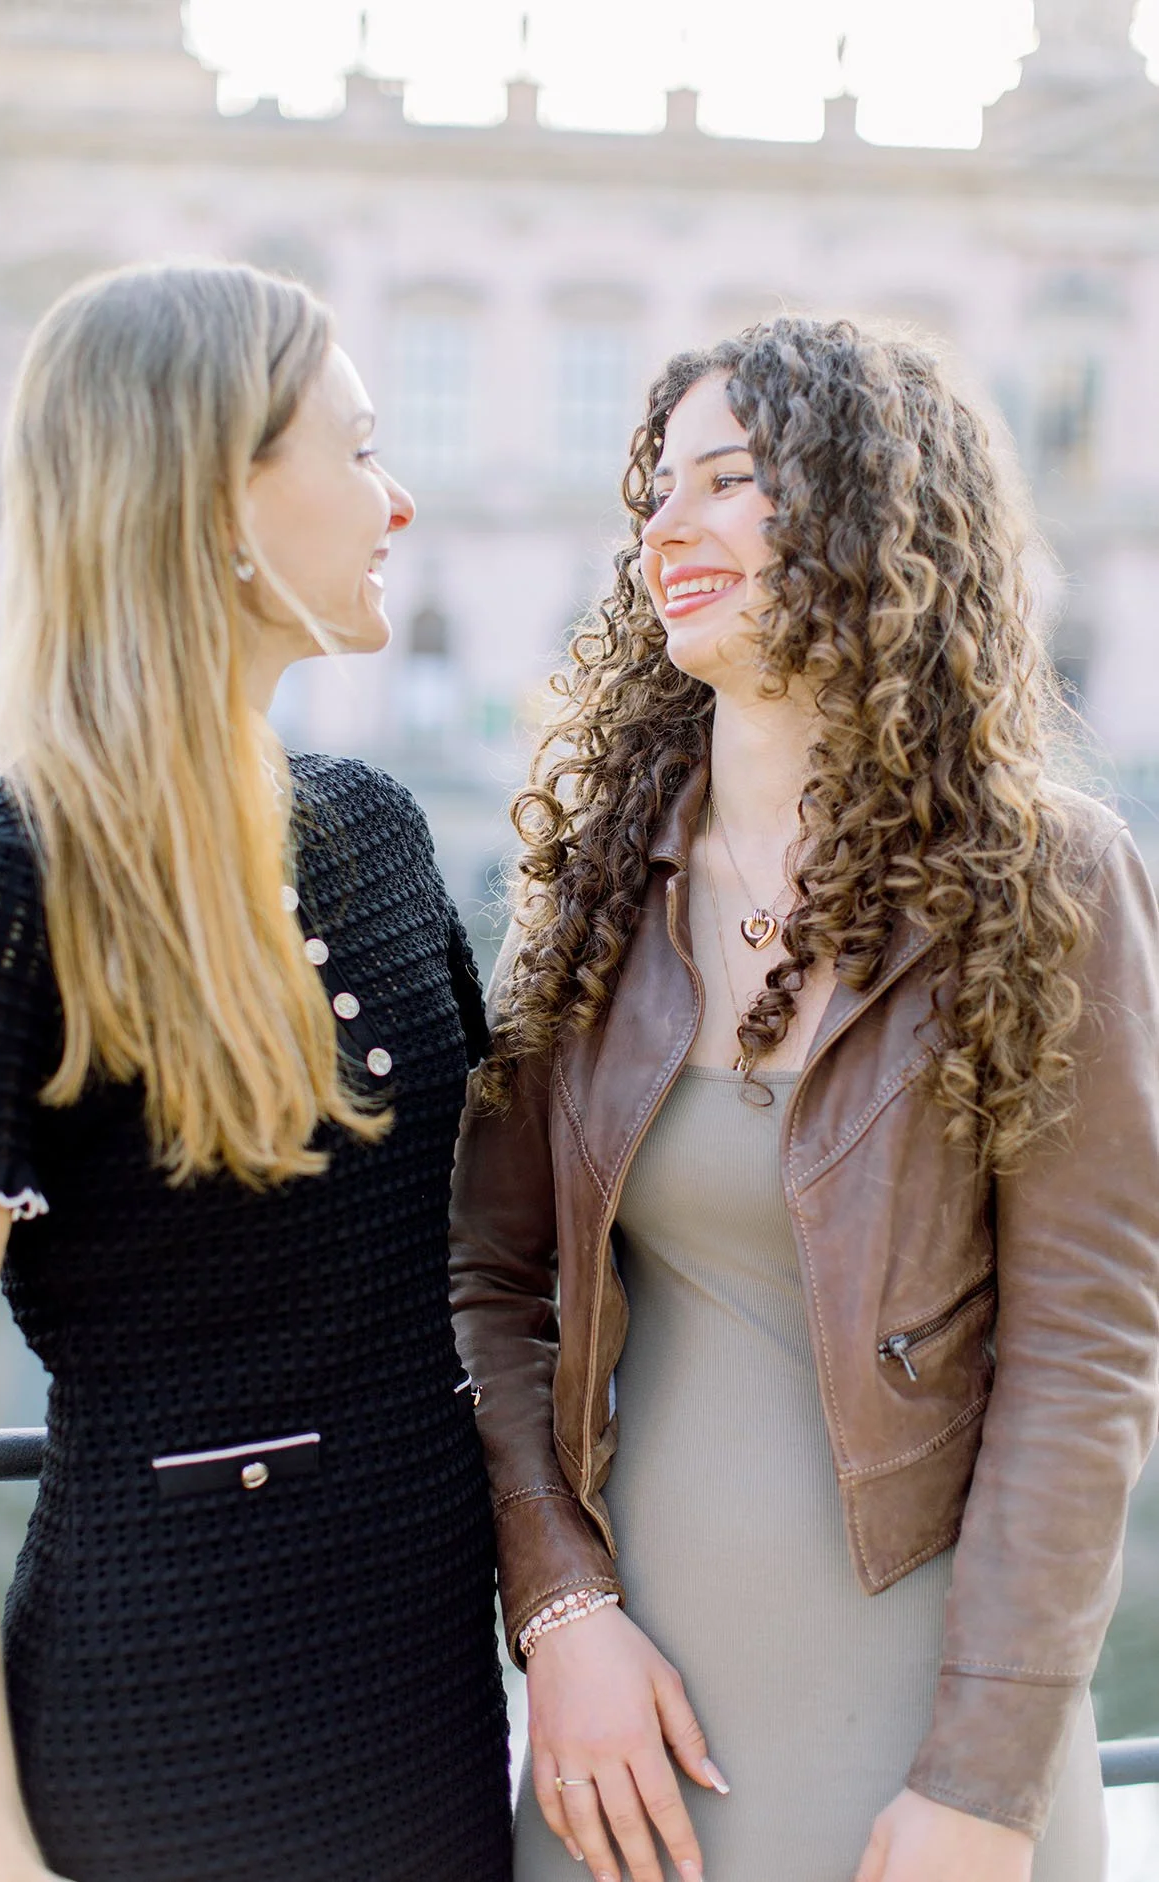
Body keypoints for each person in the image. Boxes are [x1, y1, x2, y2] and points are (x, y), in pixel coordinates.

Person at [449, 316, 1159, 1882]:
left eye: (730, 480)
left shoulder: (1050, 880)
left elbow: (1085, 1348)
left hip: (928, 1722)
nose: (666, 523)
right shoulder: (587, 893)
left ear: (865, 515)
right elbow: (489, 1287)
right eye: (657, 487)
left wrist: (983, 1777)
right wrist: (556, 1607)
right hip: (625, 1723)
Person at [0, 261, 512, 1882]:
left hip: (430, 1709)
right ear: (220, 497)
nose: (397, 500)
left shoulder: (379, 835)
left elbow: (507, 1255)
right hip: (162, 1743)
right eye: (360, 449)